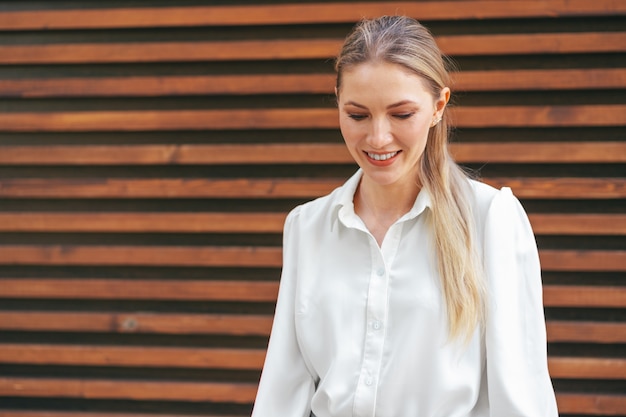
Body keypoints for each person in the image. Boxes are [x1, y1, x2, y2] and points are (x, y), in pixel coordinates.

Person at [252, 15, 558, 417]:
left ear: (438, 106)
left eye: (401, 115)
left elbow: (522, 400)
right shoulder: (306, 227)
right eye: (357, 115)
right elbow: (281, 393)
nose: (378, 138)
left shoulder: (491, 220)